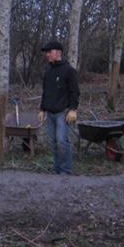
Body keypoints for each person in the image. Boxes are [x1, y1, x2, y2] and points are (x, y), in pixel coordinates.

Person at [39, 40, 80, 175]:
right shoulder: (48, 71)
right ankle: (57, 170)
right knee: (54, 142)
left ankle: (65, 171)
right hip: (50, 112)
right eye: (47, 53)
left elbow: (75, 91)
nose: (47, 55)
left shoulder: (69, 71)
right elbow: (46, 91)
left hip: (63, 113)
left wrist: (73, 109)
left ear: (58, 52)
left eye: (49, 52)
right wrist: (42, 109)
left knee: (62, 141)